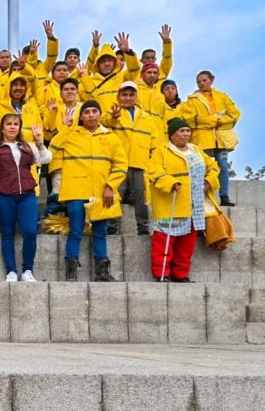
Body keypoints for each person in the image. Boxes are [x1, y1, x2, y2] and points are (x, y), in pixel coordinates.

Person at [51, 100, 128, 282]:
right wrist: (66, 128)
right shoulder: (71, 135)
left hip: (102, 192)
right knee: (75, 231)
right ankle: (71, 274)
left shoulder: (111, 137)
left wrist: (110, 186)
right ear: (81, 116)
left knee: (100, 232)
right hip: (76, 191)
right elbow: (52, 150)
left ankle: (102, 273)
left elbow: (121, 164)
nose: (91, 115)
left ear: (100, 114)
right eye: (86, 112)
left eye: (94, 111)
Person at [147, 118, 220, 282]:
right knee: (164, 241)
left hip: (194, 204)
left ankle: (180, 274)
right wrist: (170, 182)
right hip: (172, 203)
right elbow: (153, 171)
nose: (186, 134)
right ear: (172, 135)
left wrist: (209, 180)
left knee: (187, 243)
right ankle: (161, 273)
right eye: (182, 131)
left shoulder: (196, 149)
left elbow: (213, 167)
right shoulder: (162, 151)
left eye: (188, 131)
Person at [0, 114, 51, 282]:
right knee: (7, 233)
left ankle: (27, 270)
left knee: (30, 231)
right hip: (3, 196)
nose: (12, 127)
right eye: (9, 124)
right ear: (2, 128)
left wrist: (39, 141)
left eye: (16, 124)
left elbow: (46, 158)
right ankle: (11, 271)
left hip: (27, 195)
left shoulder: (28, 147)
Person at [103, 81, 158, 235]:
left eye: (131, 95)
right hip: (119, 163)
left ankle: (143, 227)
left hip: (139, 162)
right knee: (116, 194)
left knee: (141, 197)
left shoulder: (146, 117)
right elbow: (104, 122)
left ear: (135, 96)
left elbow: (154, 139)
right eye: (124, 95)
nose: (128, 98)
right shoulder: (113, 111)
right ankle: (111, 227)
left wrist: (153, 159)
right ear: (118, 96)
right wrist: (114, 118)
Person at [187, 70, 240, 206]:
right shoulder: (192, 99)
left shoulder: (222, 96)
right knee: (202, 167)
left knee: (223, 166)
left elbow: (235, 113)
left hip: (220, 138)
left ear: (211, 80)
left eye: (204, 80)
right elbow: (189, 118)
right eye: (198, 82)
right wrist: (212, 120)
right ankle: (202, 196)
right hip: (202, 139)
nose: (201, 83)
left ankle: (224, 196)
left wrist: (220, 121)